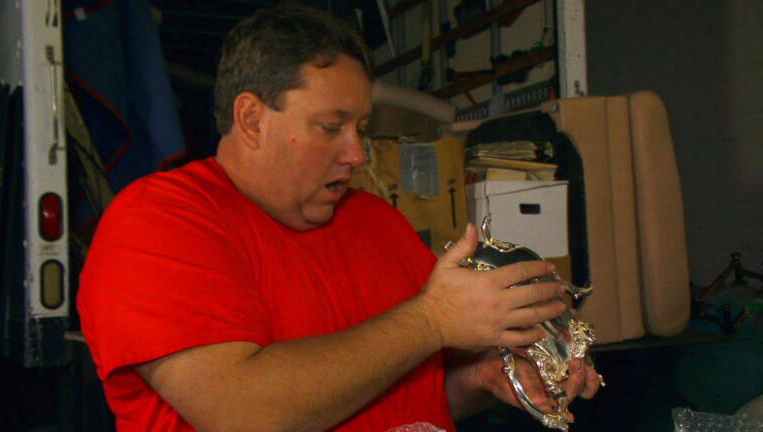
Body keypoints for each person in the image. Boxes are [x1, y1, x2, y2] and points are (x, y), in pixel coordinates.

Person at [77, 4, 600, 432]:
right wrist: (431, 320)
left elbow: (403, 392)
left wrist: (481, 379)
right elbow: (244, 414)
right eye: (331, 127)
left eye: (361, 128)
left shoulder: (378, 223)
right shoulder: (156, 224)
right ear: (252, 119)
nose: (355, 153)